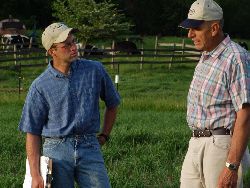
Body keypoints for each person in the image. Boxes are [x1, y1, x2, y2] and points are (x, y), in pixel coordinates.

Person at [18, 22, 120, 188]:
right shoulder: (40, 86)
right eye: (66, 45)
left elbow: (113, 103)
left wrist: (104, 136)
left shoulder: (94, 70)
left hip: (89, 146)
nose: (74, 47)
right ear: (52, 51)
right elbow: (32, 132)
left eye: (73, 42)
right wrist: (35, 175)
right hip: (56, 151)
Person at [179, 0, 250, 187]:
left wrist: (231, 166)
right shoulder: (206, 56)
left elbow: (245, 114)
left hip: (220, 146)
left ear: (214, 28)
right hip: (195, 142)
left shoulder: (236, 58)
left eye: (195, 28)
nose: (190, 34)